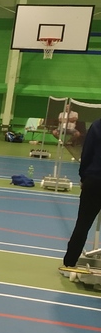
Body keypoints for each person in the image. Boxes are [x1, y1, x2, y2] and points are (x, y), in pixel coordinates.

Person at [59, 117, 101, 277]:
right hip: (94, 180)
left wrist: (83, 177)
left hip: (94, 181)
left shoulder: (97, 125)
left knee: (83, 224)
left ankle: (69, 263)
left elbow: (87, 153)